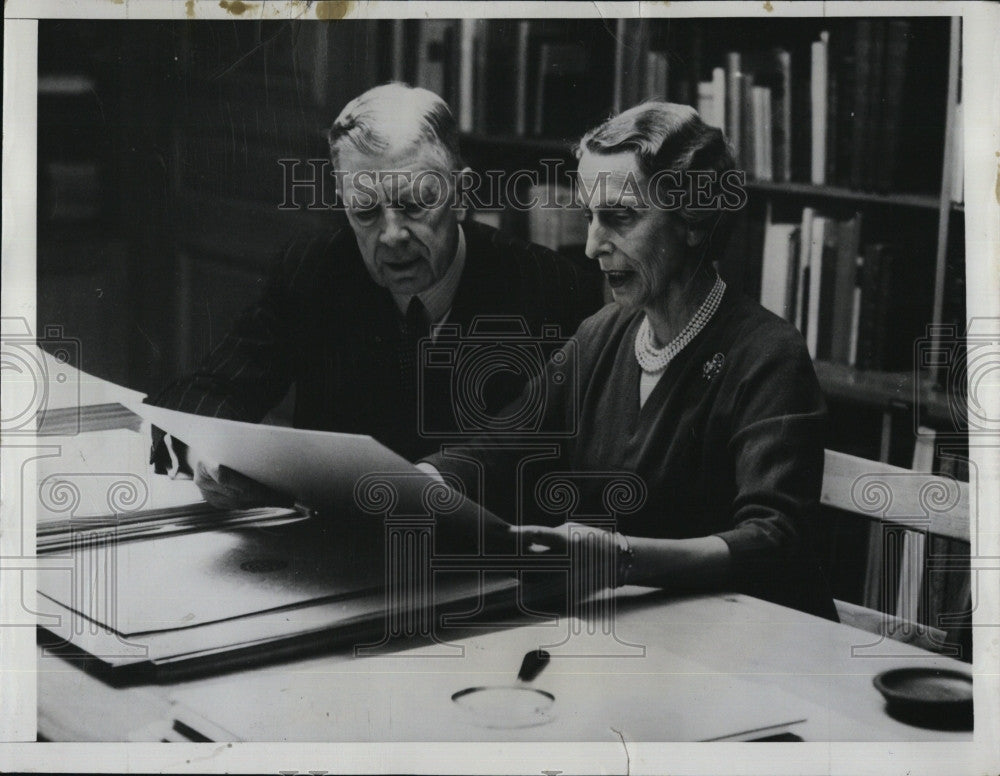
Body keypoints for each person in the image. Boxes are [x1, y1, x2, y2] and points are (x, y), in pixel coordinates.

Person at [420, 102, 838, 620]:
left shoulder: (768, 355)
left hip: (746, 644)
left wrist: (622, 560)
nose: (594, 244)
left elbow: (773, 541)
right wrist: (412, 481)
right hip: (640, 630)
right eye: (590, 217)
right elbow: (499, 449)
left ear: (693, 219)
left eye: (620, 217)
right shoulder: (602, 336)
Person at [149, 83, 602, 508]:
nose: (391, 236)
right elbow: (204, 390)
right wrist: (206, 455)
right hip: (332, 559)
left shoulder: (548, 287)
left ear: (462, 194)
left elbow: (553, 460)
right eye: (365, 211)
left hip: (477, 565)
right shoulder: (313, 270)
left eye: (413, 204)